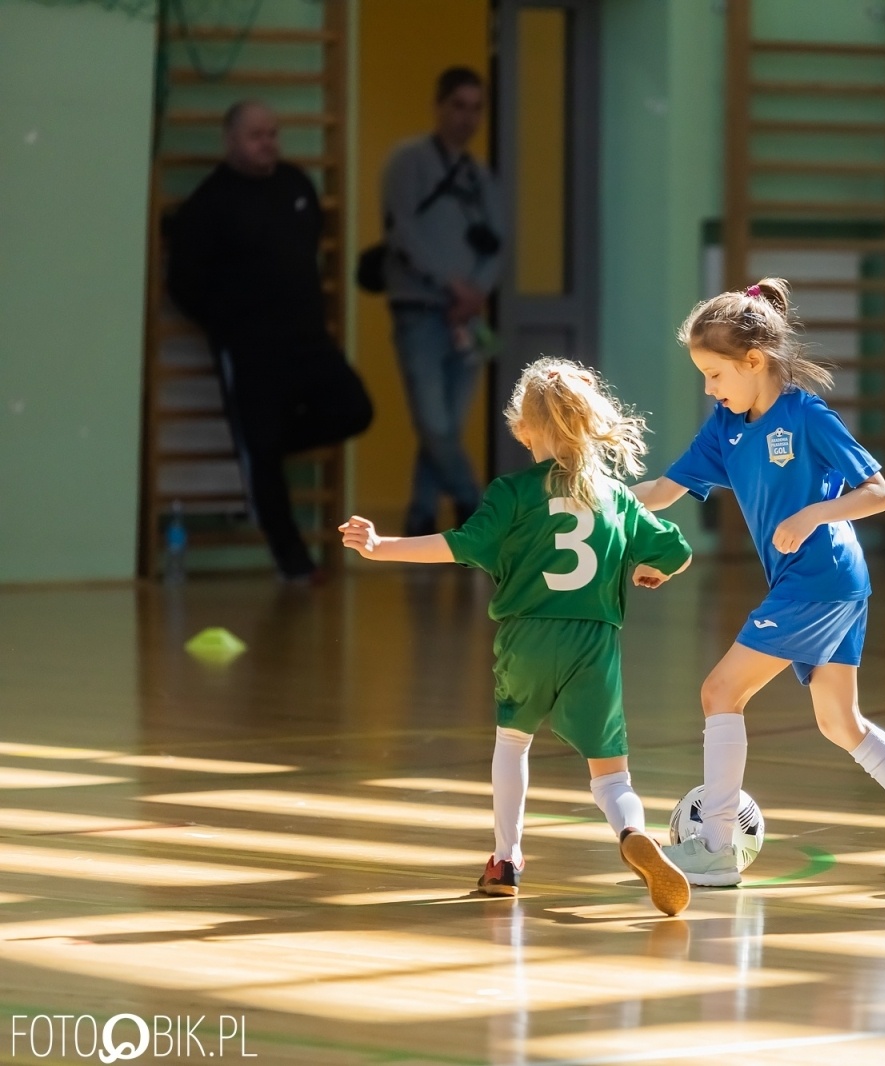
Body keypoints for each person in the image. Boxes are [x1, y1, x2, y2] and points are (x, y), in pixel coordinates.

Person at [630, 279, 885, 888]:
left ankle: (716, 845)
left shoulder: (808, 416)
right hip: (832, 585)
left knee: (720, 692)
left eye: (715, 374)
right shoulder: (725, 427)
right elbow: (664, 491)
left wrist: (812, 513)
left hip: (822, 578)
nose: (709, 388)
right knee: (840, 722)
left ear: (754, 361)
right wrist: (600, 506)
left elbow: (878, 494)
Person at [338, 358, 694, 914]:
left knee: (513, 743)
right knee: (611, 773)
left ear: (524, 427)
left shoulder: (512, 493)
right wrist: (651, 570)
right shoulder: (616, 497)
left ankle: (506, 859)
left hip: (527, 637)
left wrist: (381, 546)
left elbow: (456, 544)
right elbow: (675, 551)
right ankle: (630, 833)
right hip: (593, 645)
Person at [168, 100, 373, 580]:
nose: (268, 144)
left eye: (273, 134)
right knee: (261, 453)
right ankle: (294, 561)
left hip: (307, 341)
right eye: (257, 136)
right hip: (251, 352)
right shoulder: (209, 204)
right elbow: (183, 284)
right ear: (231, 141)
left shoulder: (297, 185)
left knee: (354, 409)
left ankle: (274, 443)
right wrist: (230, 325)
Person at [382, 67, 507, 536]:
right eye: (458, 105)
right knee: (434, 423)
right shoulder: (407, 162)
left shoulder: (480, 175)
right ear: (439, 107)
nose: (467, 117)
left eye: (477, 108)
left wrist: (476, 292)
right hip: (420, 309)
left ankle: (421, 515)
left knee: (447, 426)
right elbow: (403, 232)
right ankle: (477, 508)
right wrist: (451, 283)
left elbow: (498, 241)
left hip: (469, 318)